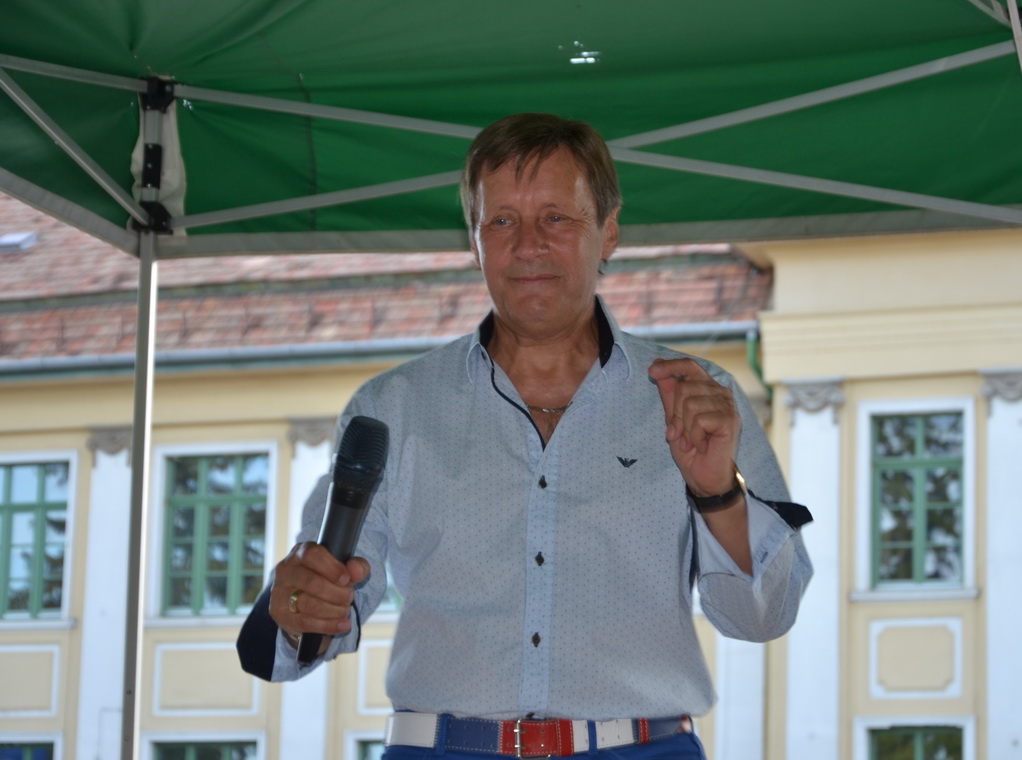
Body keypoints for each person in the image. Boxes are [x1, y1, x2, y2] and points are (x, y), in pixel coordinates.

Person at [238, 112, 813, 760]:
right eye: (503, 221)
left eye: (556, 218)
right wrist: (300, 605)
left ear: (609, 231)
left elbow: (764, 618)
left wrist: (718, 495)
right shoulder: (391, 409)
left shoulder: (698, 398)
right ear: (475, 240)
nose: (529, 244)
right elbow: (307, 619)